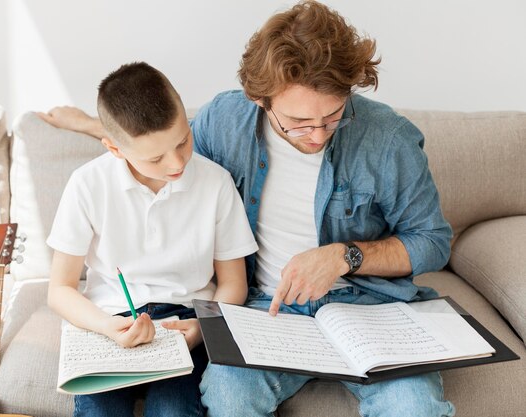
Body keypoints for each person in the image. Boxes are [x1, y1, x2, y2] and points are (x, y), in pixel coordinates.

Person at [40, 2, 455, 416]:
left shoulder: (388, 139)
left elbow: (433, 242)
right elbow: (164, 156)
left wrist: (345, 256)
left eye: (332, 116)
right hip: (268, 309)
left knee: (414, 406)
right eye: (297, 121)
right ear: (259, 98)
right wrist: (93, 126)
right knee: (227, 395)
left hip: (370, 307)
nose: (317, 135)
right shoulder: (225, 120)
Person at [45, 61, 258, 417]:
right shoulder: (87, 184)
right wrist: (106, 326)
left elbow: (234, 282)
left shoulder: (216, 183)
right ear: (115, 149)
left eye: (184, 140)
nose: (177, 162)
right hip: (108, 319)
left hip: (185, 321)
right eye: (156, 157)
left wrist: (205, 328)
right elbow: (59, 289)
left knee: (174, 411)